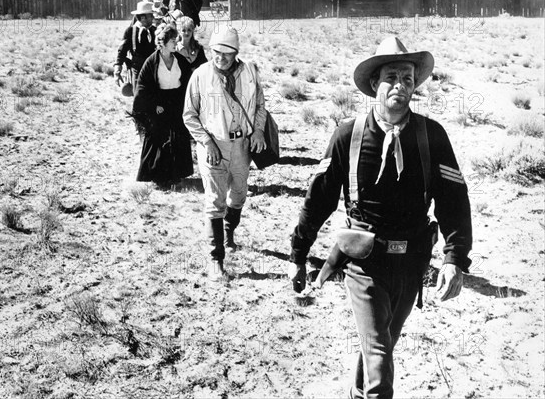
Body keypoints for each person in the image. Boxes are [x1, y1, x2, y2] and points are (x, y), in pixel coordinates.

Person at [287, 36, 473, 398]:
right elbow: (318, 200)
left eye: (407, 78)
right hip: (363, 263)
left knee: (382, 343)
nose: (400, 86)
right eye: (391, 77)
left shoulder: (431, 136)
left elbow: (453, 200)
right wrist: (297, 253)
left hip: (410, 264)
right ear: (374, 83)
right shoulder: (348, 136)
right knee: (379, 357)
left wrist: (455, 258)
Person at [183, 27, 267, 280]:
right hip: (213, 146)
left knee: (239, 195)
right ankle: (215, 259)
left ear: (236, 53)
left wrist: (259, 131)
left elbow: (261, 105)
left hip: (242, 146)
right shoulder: (200, 75)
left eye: (226, 54)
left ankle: (229, 233)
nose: (220, 58)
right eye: (216, 52)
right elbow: (189, 115)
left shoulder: (250, 73)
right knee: (214, 200)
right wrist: (206, 143)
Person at [131, 23, 194, 188]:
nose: (176, 42)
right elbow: (143, 87)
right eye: (173, 40)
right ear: (163, 42)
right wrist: (154, 105)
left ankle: (176, 175)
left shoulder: (180, 60)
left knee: (178, 137)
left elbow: (189, 82)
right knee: (159, 138)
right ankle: (159, 177)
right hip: (159, 105)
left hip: (177, 102)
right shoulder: (152, 62)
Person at [113, 0, 157, 96]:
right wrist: (117, 70)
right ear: (142, 17)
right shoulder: (131, 31)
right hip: (137, 69)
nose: (153, 18)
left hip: (153, 69)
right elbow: (122, 51)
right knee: (138, 95)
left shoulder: (155, 31)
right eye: (151, 15)